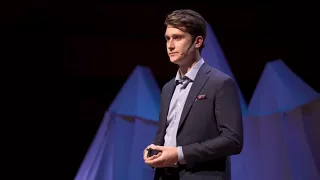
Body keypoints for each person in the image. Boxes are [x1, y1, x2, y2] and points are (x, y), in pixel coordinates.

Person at [143, 9, 243, 180]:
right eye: (167, 38)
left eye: (178, 37)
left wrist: (179, 154)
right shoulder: (168, 88)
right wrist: (155, 150)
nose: (170, 45)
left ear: (197, 42)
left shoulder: (219, 83)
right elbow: (167, 134)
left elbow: (232, 141)